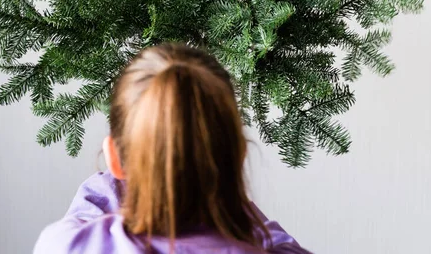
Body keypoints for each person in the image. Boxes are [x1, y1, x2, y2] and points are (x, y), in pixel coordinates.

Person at [34, 44, 312, 253]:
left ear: (115, 159)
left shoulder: (66, 245)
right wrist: (229, 207)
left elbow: (87, 215)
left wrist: (124, 177)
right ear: (239, 157)